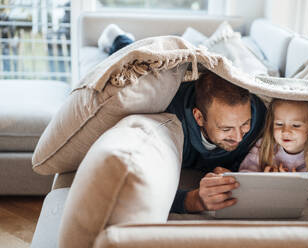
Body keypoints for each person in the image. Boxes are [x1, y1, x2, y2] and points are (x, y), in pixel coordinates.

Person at [99, 24, 267, 213]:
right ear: (199, 117)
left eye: (244, 124)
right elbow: (139, 189)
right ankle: (116, 36)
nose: (239, 137)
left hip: (214, 71)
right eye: (226, 129)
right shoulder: (170, 123)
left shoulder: (258, 114)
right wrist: (191, 200)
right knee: (134, 60)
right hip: (169, 78)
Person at [232, 99, 308, 199]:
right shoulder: (264, 145)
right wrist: (266, 180)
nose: (285, 131)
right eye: (279, 124)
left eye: (296, 125)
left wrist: (294, 186)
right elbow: (245, 175)